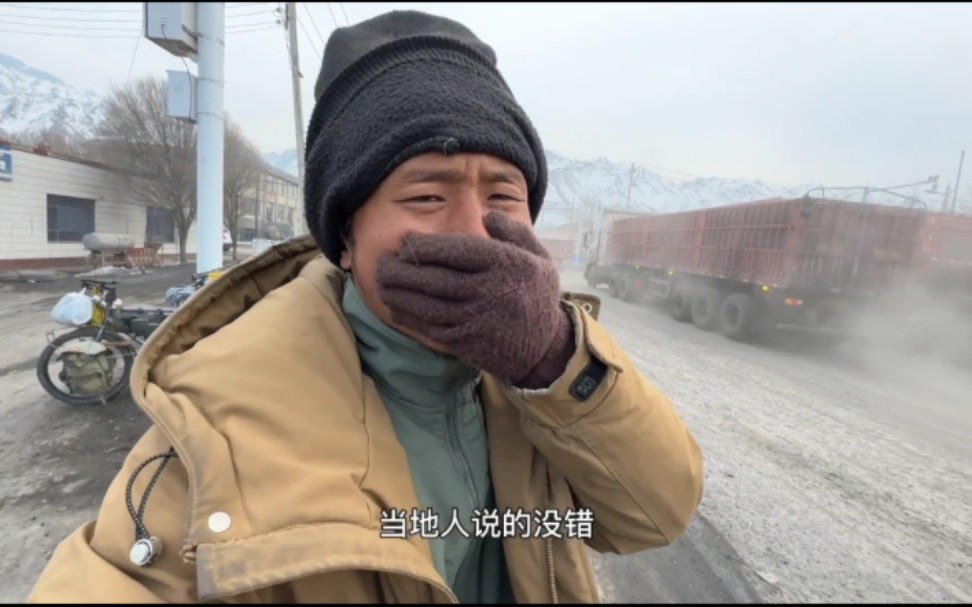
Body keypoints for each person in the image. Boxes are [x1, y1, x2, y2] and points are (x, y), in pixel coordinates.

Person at [28, 9, 703, 604]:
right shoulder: (217, 424)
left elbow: (655, 514)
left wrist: (552, 356)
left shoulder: (543, 377)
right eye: (425, 196)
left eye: (502, 197)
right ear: (345, 237)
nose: (474, 231)